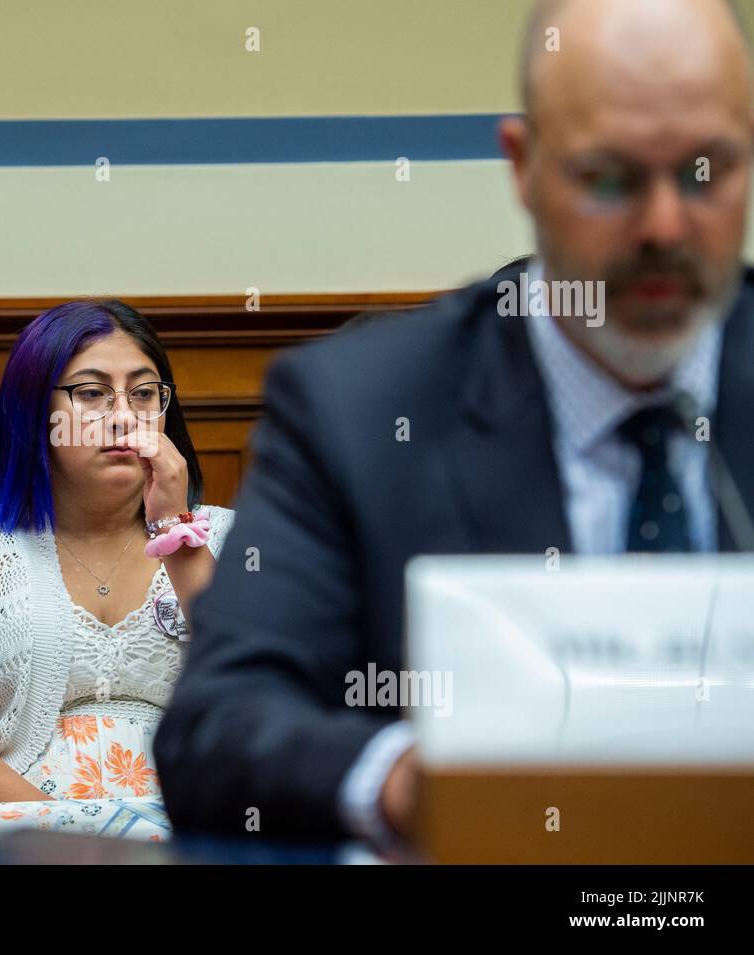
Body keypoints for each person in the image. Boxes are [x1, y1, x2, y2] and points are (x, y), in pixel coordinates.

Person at [155, 0, 754, 847]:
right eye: (610, 178)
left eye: (704, 172)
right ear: (524, 167)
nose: (665, 226)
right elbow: (217, 727)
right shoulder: (362, 409)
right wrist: (420, 782)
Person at [0, 299, 234, 862]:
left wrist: (176, 529)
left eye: (144, 393)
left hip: (197, 818)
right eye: (92, 393)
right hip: (28, 834)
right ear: (35, 412)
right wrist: (71, 845)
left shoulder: (226, 539)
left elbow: (260, 686)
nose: (124, 416)